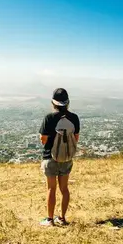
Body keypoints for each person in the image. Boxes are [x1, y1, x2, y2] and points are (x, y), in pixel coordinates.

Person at [39, 88, 80, 226]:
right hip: (67, 157)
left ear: (53, 102)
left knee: (51, 188)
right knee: (64, 188)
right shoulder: (74, 118)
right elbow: (76, 138)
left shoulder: (49, 117)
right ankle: (62, 218)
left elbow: (43, 139)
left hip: (50, 157)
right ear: (68, 103)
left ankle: (50, 220)